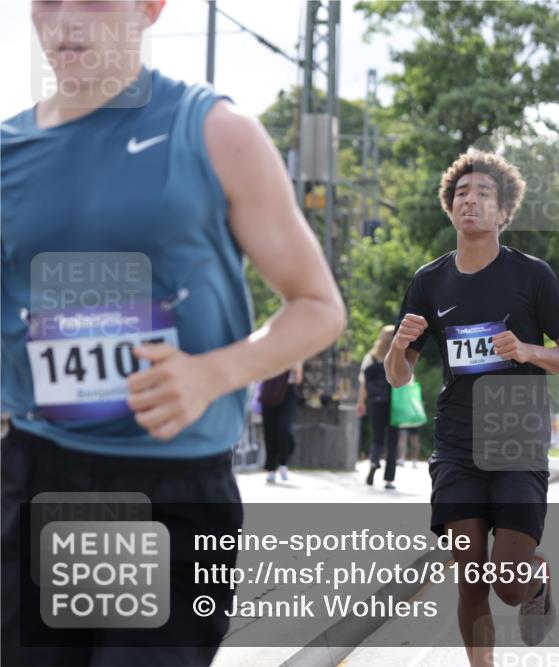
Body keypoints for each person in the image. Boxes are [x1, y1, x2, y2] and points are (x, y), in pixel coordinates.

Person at [1, 3, 346, 666]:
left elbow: (318, 306)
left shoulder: (219, 132)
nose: (67, 21)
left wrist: (211, 372)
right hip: (36, 477)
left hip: (172, 491)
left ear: (149, 7)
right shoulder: (7, 153)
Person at [385, 151, 559, 666]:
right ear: (450, 208)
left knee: (507, 585)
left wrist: (527, 351)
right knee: (470, 575)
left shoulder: (532, 275)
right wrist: (396, 348)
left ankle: (536, 578)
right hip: (456, 442)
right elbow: (398, 375)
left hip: (515, 437)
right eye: (460, 194)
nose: (469, 200)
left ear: (503, 212)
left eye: (483, 195)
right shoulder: (428, 282)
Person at [357, 325, 399, 490]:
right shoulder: (399, 355)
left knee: (377, 437)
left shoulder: (371, 357)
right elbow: (408, 380)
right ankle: (389, 479)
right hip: (395, 403)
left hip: (376, 402)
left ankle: (374, 462)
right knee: (393, 440)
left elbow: (363, 383)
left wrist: (361, 402)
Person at [260, 362, 304, 483]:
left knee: (284, 429)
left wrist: (291, 367)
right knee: (269, 431)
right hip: (269, 391)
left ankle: (283, 463)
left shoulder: (295, 352)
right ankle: (271, 469)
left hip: (287, 392)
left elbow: (298, 378)